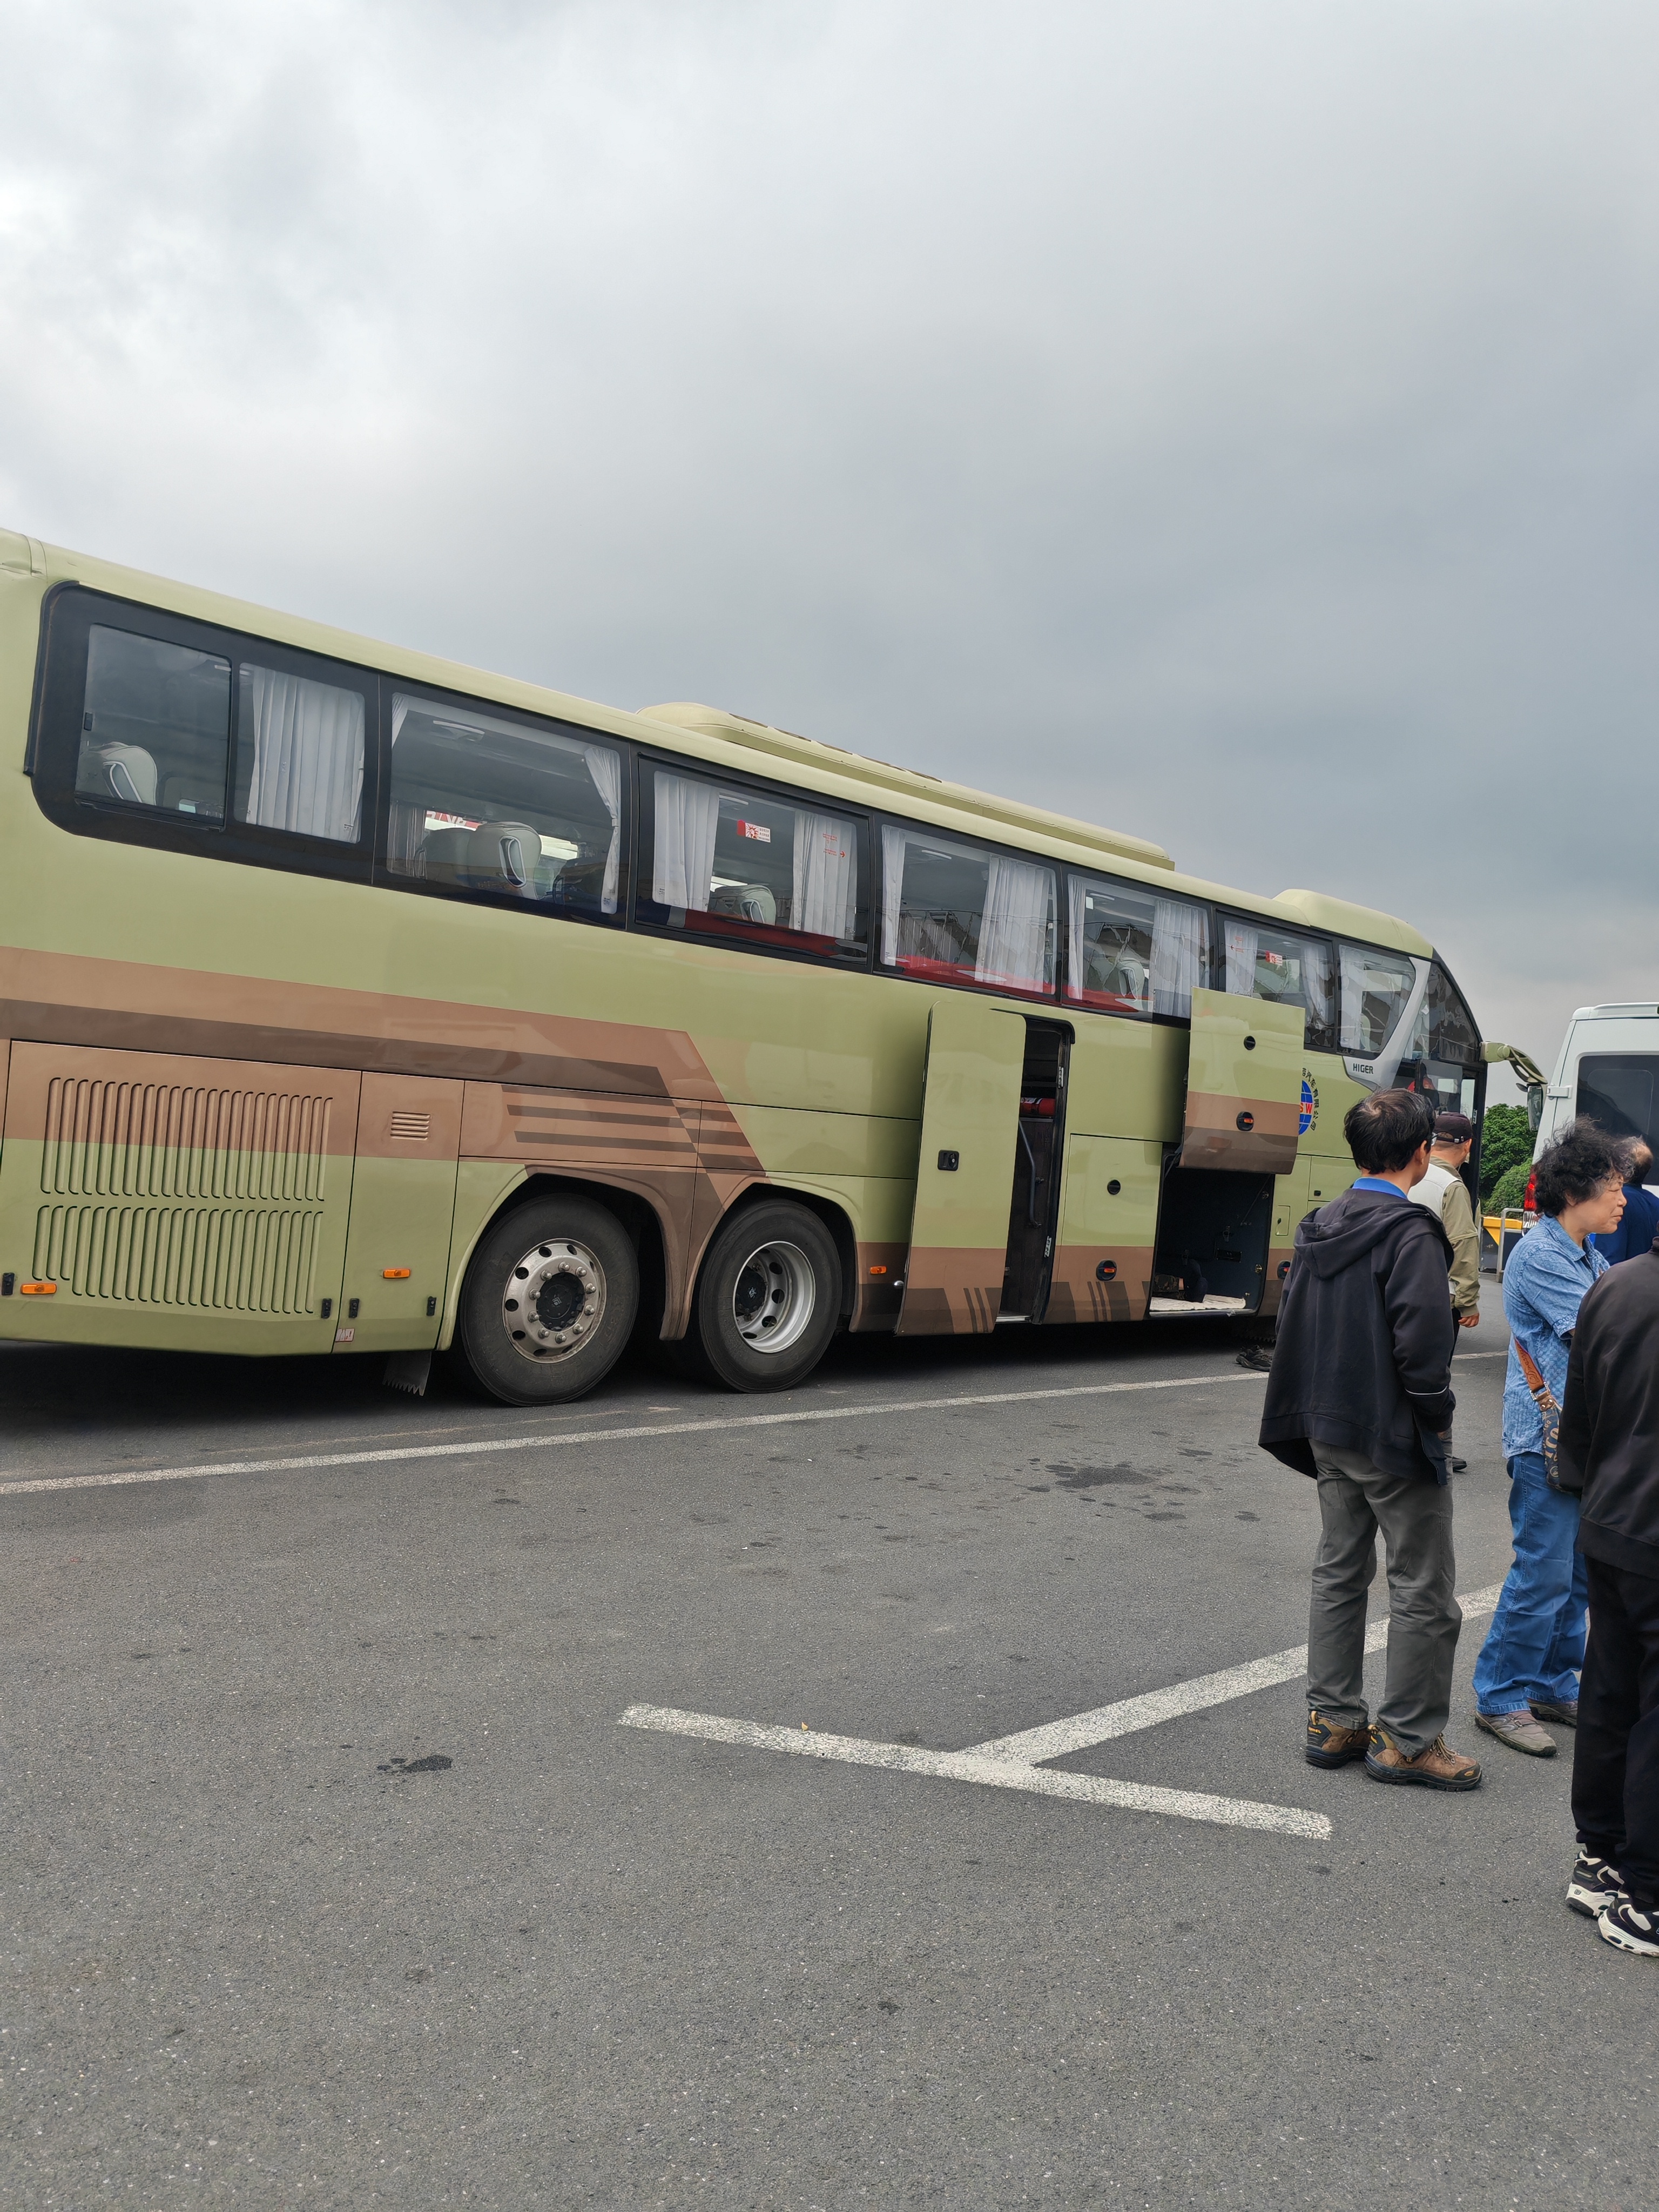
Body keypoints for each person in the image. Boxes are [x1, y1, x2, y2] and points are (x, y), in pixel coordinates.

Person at [1260, 1087, 1480, 1790]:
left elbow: (1293, 1324)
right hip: (1391, 1434)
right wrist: (1437, 1415)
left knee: (1340, 1569)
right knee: (1423, 1586)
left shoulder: (1322, 1222)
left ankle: (1334, 1721)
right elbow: (1422, 1344)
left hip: (1328, 1426)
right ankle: (1410, 1740)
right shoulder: (1411, 1234)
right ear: (1421, 1155)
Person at [1471, 1119, 1626, 1757]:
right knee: (1543, 1573)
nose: (1623, 1198)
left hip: (1587, 1438)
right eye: (1614, 1186)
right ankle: (1501, 1695)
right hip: (1546, 1438)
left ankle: (1552, 1682)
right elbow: (1604, 1333)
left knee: (1582, 1574)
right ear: (1576, 1193)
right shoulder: (1541, 1255)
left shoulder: (1588, 1252)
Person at [1555, 1215, 1659, 1953]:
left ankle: (1600, 1856)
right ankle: (1649, 1895)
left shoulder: (1614, 1286)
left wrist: (1583, 1489)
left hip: (1610, 1516)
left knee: (1610, 1690)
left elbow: (1581, 1409)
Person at [1409, 1110, 1482, 1470]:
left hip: (1397, 1291)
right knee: (1435, 1375)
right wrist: (1466, 1303)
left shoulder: (1407, 1171)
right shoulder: (1451, 1187)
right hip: (1438, 1298)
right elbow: (1463, 1245)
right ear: (1467, 1146)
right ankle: (1438, 1451)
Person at [1593, 1138, 1659, 1266]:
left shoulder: (1616, 1201)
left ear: (1619, 1166)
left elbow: (1608, 1259)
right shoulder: (1656, 1202)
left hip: (1620, 1283)